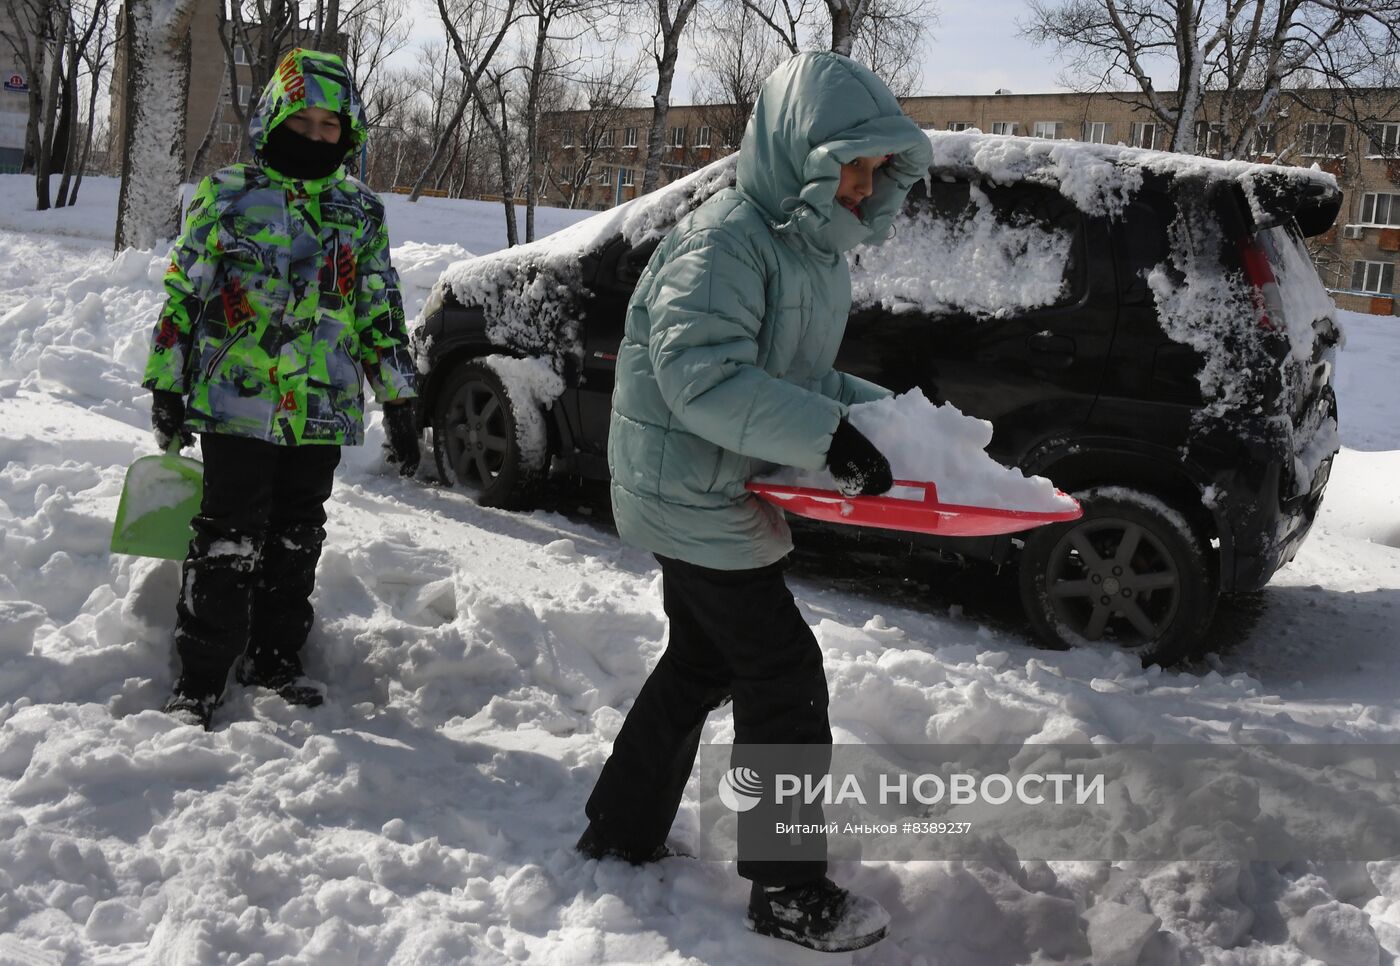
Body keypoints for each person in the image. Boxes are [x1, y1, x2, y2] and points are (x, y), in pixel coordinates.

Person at [576, 52, 932, 953]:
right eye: (848, 163)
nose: (861, 185)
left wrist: (882, 420)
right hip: (688, 487)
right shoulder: (723, 243)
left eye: (874, 169)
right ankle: (786, 889)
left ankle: (621, 827)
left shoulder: (809, 250)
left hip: (715, 482)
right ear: (795, 152)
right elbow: (704, 382)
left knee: (703, 661)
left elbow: (797, 377)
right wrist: (828, 436)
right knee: (783, 675)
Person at [142, 48, 421, 730]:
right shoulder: (226, 194)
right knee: (226, 537)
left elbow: (378, 309)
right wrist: (167, 384)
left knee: (298, 535)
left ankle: (275, 658)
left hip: (320, 406)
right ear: (277, 115)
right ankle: (202, 676)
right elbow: (185, 297)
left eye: (333, 127)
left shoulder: (359, 211)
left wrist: (400, 394)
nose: (319, 136)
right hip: (237, 402)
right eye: (307, 121)